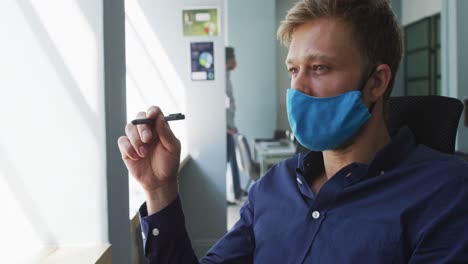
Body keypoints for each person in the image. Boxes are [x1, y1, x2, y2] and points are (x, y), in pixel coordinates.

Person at [117, 0, 468, 263]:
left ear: (376, 82)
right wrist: (160, 189)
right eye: (293, 70)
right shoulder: (273, 186)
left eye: (319, 68)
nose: (298, 88)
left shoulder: (446, 193)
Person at [225, 47, 245, 203]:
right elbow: (222, 105)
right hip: (225, 129)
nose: (235, 61)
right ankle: (232, 193)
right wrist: (226, 127)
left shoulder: (227, 76)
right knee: (226, 161)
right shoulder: (221, 78)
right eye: (233, 57)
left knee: (233, 160)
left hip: (229, 127)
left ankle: (237, 191)